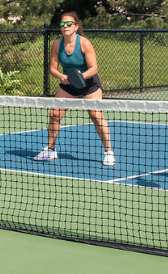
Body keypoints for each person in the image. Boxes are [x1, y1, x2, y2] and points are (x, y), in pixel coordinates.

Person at [34, 12, 115, 166]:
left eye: (69, 23)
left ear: (76, 27)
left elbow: (94, 68)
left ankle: (109, 151)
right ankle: (50, 150)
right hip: (68, 84)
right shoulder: (57, 45)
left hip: (89, 84)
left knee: (96, 116)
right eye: (62, 24)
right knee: (54, 114)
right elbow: (52, 68)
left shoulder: (84, 43)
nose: (65, 26)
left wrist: (80, 77)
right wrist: (60, 76)